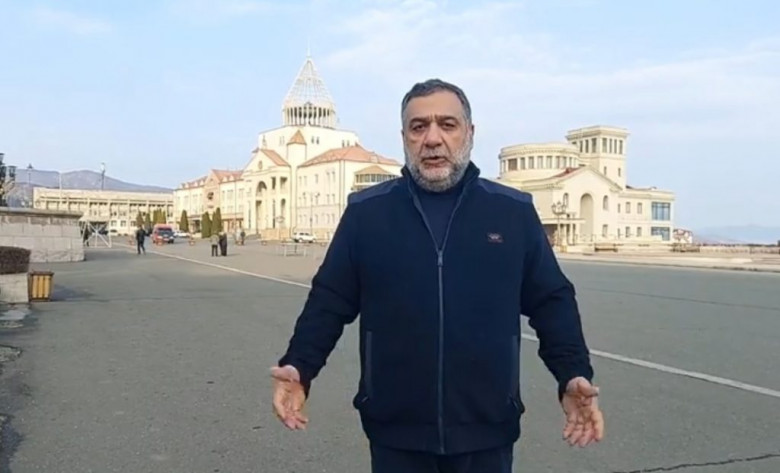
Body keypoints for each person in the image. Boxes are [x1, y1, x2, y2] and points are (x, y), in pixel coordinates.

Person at [271, 79, 604, 472]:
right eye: (418, 127)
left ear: (469, 133)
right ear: (404, 138)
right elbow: (329, 300)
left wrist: (572, 373)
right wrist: (300, 367)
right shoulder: (367, 214)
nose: (432, 139)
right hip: (396, 433)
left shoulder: (511, 213)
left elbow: (552, 301)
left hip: (487, 430)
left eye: (447, 124)